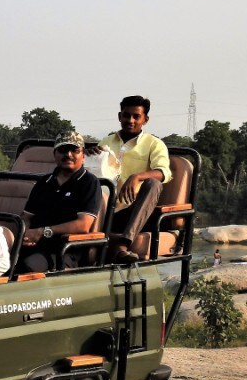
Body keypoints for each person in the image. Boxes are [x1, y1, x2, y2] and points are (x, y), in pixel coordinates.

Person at [89, 95, 171, 264]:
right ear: (120, 116)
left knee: (153, 183)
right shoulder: (106, 141)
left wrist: (137, 176)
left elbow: (164, 172)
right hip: (106, 208)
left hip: (134, 211)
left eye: (136, 116)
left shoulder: (154, 144)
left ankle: (123, 244)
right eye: (126, 115)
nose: (130, 120)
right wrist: (90, 156)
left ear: (145, 120)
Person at [19, 131, 101, 273]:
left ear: (83, 155)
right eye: (63, 150)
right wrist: (24, 234)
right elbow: (26, 217)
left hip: (65, 251)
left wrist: (43, 232)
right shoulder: (44, 182)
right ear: (54, 154)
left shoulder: (89, 183)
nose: (68, 155)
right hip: (34, 245)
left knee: (27, 266)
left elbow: (83, 225)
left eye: (74, 150)